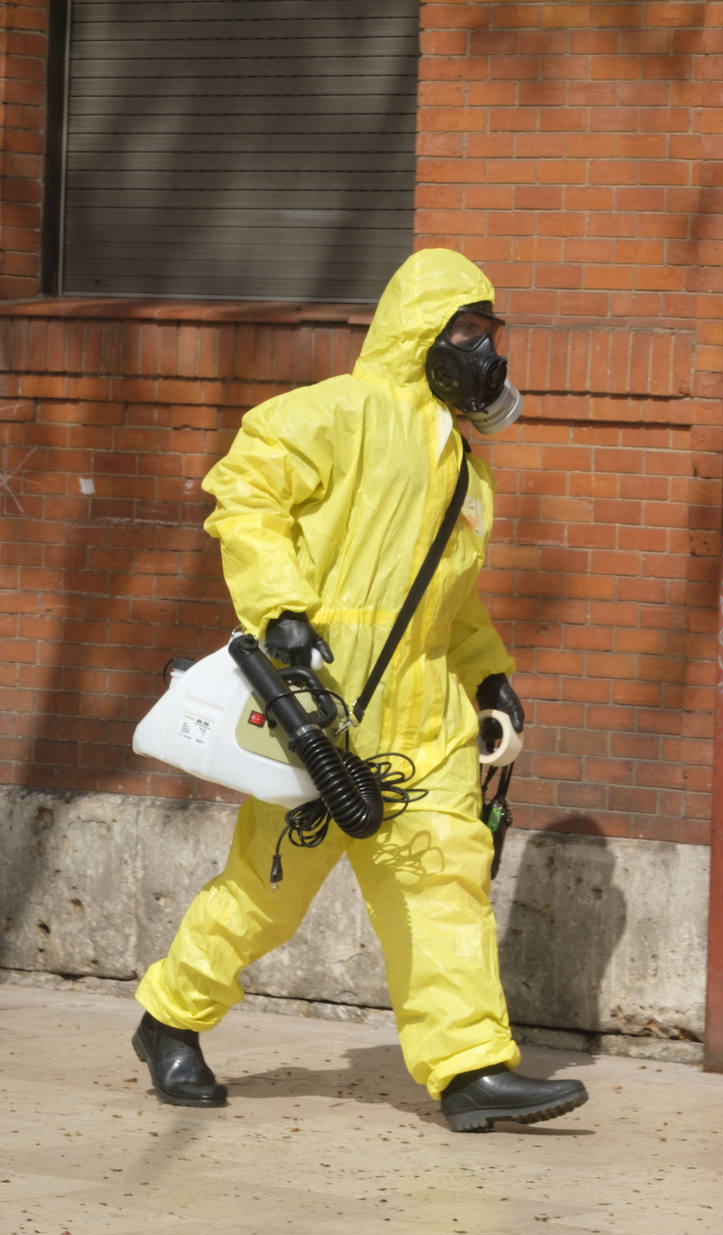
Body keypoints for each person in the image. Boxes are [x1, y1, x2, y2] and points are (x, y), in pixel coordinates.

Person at [131, 248, 587, 1133]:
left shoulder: (463, 463)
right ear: (422, 333)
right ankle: (169, 1020)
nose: (483, 354)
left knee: (443, 887)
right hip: (321, 711)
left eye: (487, 337)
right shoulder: (336, 415)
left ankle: (469, 1072)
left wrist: (488, 673)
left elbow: (444, 596)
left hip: (425, 718)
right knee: (267, 896)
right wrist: (282, 611)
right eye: (465, 333)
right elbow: (245, 492)